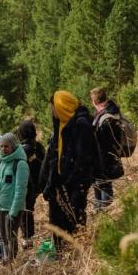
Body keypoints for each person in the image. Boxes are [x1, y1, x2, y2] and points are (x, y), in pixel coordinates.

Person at [40, 90, 97, 253]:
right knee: (58, 219)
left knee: (74, 216)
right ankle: (61, 251)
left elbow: (84, 158)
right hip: (61, 182)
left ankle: (77, 251)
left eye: (53, 107)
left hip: (75, 182)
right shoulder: (61, 124)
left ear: (61, 106)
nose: (52, 111)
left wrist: (72, 180)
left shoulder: (81, 125)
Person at [0, 133, 29, 263]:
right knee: (2, 237)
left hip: (13, 208)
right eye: (1, 146)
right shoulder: (1, 162)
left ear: (13, 146)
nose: (3, 149)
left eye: (6, 146)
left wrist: (14, 211)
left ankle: (11, 262)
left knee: (11, 237)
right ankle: (6, 259)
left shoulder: (20, 164)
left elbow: (20, 190)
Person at [90, 87, 124, 211]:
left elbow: (102, 143)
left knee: (104, 192)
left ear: (94, 102)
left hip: (103, 162)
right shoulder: (112, 111)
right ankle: (101, 213)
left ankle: (106, 216)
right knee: (103, 188)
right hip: (111, 158)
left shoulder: (104, 119)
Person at [16, 119, 45, 247]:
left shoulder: (21, 151)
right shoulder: (38, 147)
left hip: (27, 185)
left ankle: (27, 239)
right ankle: (28, 237)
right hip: (39, 184)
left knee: (25, 212)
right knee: (29, 210)